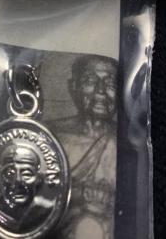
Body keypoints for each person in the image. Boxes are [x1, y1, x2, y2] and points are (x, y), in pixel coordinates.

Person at [48, 57, 118, 239]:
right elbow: (32, 194)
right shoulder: (51, 135)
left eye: (110, 84)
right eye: (90, 81)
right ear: (73, 86)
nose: (101, 91)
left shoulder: (129, 143)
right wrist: (80, 193)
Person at [0, 143, 55, 233]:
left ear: (38, 178)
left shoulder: (46, 211)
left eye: (26, 174)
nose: (18, 180)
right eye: (10, 173)